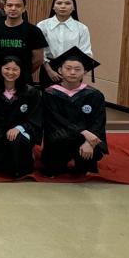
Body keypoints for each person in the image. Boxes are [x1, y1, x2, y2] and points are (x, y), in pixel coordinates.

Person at [41, 47, 107, 176]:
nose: (72, 72)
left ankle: (84, 160)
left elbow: (98, 122)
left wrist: (89, 142)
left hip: (84, 140)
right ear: (60, 70)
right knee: (53, 170)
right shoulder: (50, 93)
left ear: (85, 71)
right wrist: (83, 131)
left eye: (77, 69)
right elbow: (54, 120)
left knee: (83, 171)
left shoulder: (94, 95)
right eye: (68, 68)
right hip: (59, 139)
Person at [0, 55, 42, 178]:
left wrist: (19, 128)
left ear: (21, 71)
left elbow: (35, 117)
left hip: (22, 131)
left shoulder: (31, 92)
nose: (10, 72)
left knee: (15, 140)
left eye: (15, 69)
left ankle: (20, 168)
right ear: (0, 69)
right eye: (7, 68)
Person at [0, 0, 46, 83]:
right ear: (4, 7)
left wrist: (22, 73)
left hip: (22, 80)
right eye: (10, 5)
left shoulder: (34, 31)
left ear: (24, 9)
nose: (13, 8)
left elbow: (38, 59)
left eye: (18, 6)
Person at [37, 0, 93, 87]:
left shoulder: (82, 28)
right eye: (59, 3)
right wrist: (49, 70)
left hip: (73, 69)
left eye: (67, 3)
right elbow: (40, 52)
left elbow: (86, 52)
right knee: (48, 95)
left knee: (72, 95)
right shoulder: (42, 26)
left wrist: (78, 72)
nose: (63, 6)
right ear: (53, 7)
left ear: (73, 8)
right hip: (49, 69)